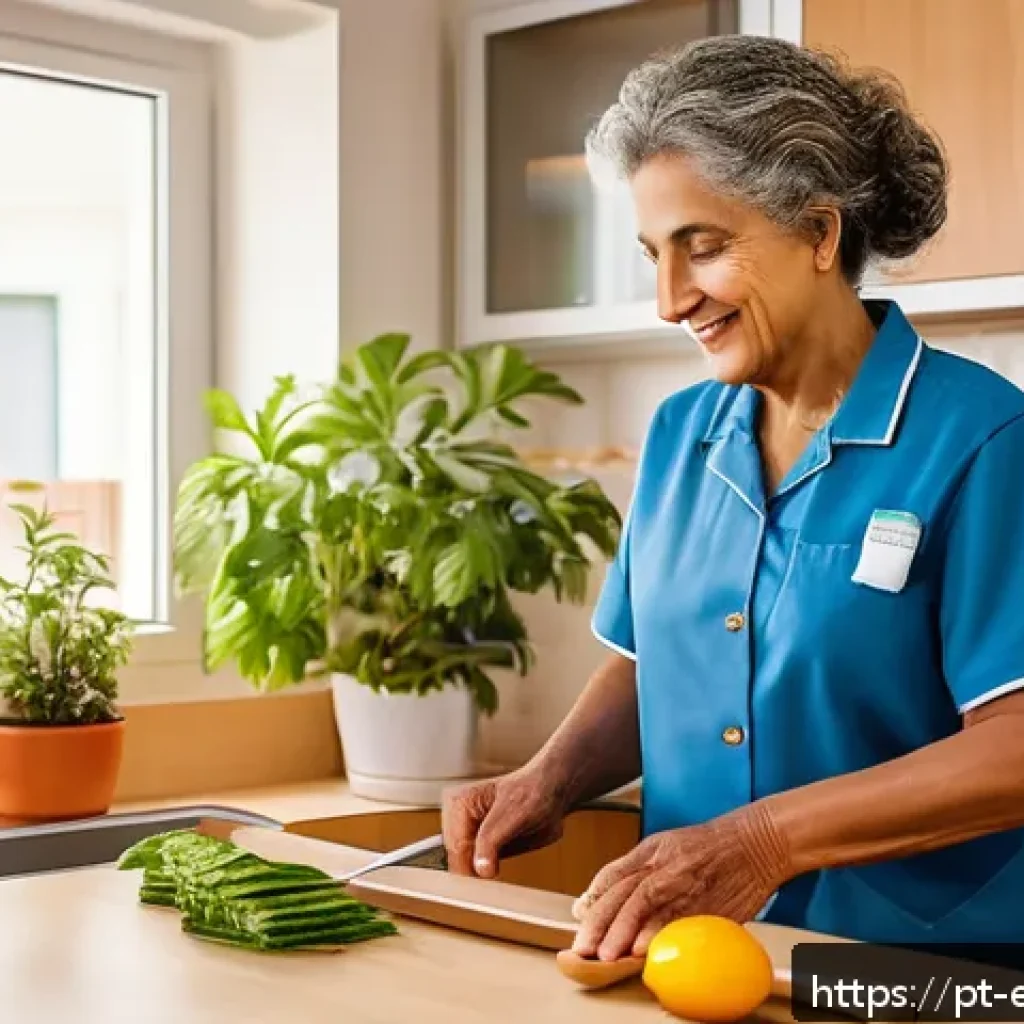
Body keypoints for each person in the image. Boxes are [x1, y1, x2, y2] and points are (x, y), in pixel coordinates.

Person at [440, 33, 1024, 961]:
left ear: (821, 234)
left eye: (703, 249)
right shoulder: (682, 434)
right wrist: (547, 779)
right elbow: (651, 666)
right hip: (694, 961)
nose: (671, 299)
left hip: (916, 977)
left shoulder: (984, 438)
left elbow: (1015, 751)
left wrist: (758, 842)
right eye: (653, 255)